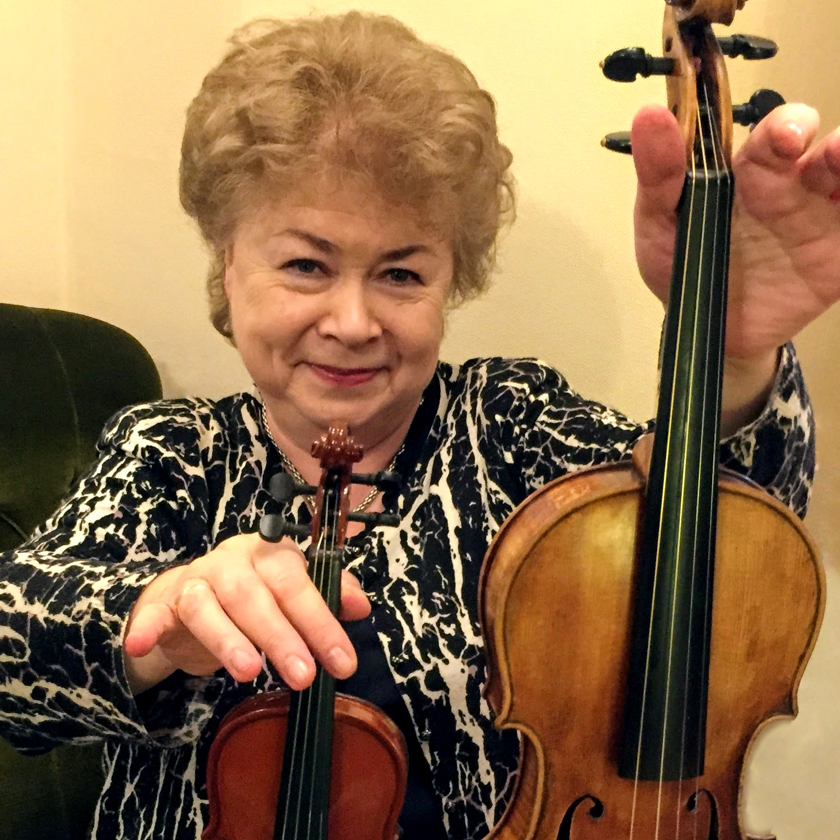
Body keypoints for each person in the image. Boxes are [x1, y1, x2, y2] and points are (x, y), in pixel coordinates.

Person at [1, 11, 838, 840]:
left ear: (451, 278)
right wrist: (161, 612)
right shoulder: (172, 453)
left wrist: (729, 361)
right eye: (306, 264)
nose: (354, 321)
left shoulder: (509, 425)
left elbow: (728, 550)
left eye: (401, 272)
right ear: (228, 261)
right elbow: (14, 647)